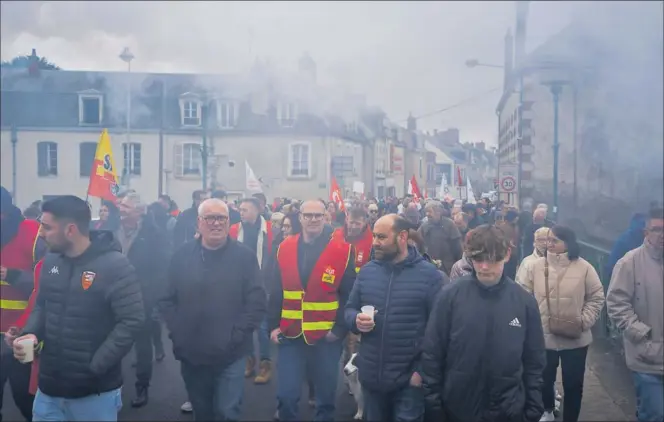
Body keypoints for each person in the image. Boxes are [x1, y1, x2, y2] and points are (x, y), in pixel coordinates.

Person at [10, 195, 145, 421]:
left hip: (94, 394)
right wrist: (30, 334)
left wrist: (95, 366)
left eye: (46, 227)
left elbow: (132, 321)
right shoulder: (51, 261)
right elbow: (42, 305)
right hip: (49, 389)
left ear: (70, 230)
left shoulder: (115, 265)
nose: (40, 233)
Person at [421, 224, 546, 422]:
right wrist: (434, 406)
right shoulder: (450, 296)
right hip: (457, 409)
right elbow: (432, 353)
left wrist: (533, 409)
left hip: (509, 411)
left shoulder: (524, 303)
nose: (484, 266)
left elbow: (535, 360)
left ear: (507, 254)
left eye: (492, 258)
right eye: (478, 259)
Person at [161, 198, 266, 421]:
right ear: (199, 223)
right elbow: (166, 299)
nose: (216, 223)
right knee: (203, 412)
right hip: (192, 354)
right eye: (210, 218)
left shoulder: (245, 257)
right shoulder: (181, 256)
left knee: (228, 412)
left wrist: (237, 335)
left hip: (232, 353)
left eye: (221, 218)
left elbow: (256, 301)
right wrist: (178, 333)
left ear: (228, 223)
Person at [345, 215, 443, 422]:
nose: (375, 242)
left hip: (409, 381)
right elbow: (349, 310)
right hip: (372, 379)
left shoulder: (430, 276)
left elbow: (439, 330)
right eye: (374, 236)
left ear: (402, 237)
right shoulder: (367, 272)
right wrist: (356, 320)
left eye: (381, 237)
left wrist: (421, 373)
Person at [267, 200, 356, 421]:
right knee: (286, 398)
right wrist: (272, 326)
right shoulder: (283, 248)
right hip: (291, 334)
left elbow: (349, 295)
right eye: (308, 215)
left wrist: (339, 329)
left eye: (318, 215)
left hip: (326, 336)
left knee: (325, 401)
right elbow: (276, 291)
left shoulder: (343, 251)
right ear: (300, 218)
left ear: (326, 217)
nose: (313, 219)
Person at [520, 225, 605, 422]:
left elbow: (597, 297)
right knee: (543, 379)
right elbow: (522, 296)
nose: (549, 244)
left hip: (575, 337)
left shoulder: (585, 268)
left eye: (554, 240)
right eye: (547, 240)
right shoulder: (535, 267)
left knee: (574, 384)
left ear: (568, 242)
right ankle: (547, 410)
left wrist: (584, 320)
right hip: (543, 336)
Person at [607, 207, 663, 422]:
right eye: (656, 229)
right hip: (646, 356)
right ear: (645, 232)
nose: (662, 235)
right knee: (655, 414)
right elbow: (616, 304)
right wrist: (641, 333)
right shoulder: (629, 263)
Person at [115, 192, 170, 407]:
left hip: (141, 298)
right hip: (111, 297)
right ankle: (111, 388)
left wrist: (151, 295)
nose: (121, 209)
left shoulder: (154, 234)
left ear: (139, 211)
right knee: (111, 344)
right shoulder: (109, 230)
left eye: (126, 206)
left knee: (142, 345)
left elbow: (163, 268)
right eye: (120, 205)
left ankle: (142, 387)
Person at [0, 186, 46, 422]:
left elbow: (46, 282)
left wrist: (12, 274)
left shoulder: (33, 232)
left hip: (20, 332)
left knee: (25, 398)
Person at [229, 197, 275, 384]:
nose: (241, 212)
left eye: (245, 209)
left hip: (263, 285)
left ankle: (265, 364)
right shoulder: (233, 230)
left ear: (258, 211)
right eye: (240, 209)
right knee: (244, 326)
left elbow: (274, 258)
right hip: (239, 285)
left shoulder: (271, 230)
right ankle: (249, 361)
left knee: (263, 328)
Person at [419, 200, 463, 276]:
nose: (427, 214)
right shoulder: (424, 226)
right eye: (426, 212)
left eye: (429, 211)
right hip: (429, 266)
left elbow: (457, 247)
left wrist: (457, 264)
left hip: (448, 266)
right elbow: (418, 245)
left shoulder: (449, 224)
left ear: (438, 212)